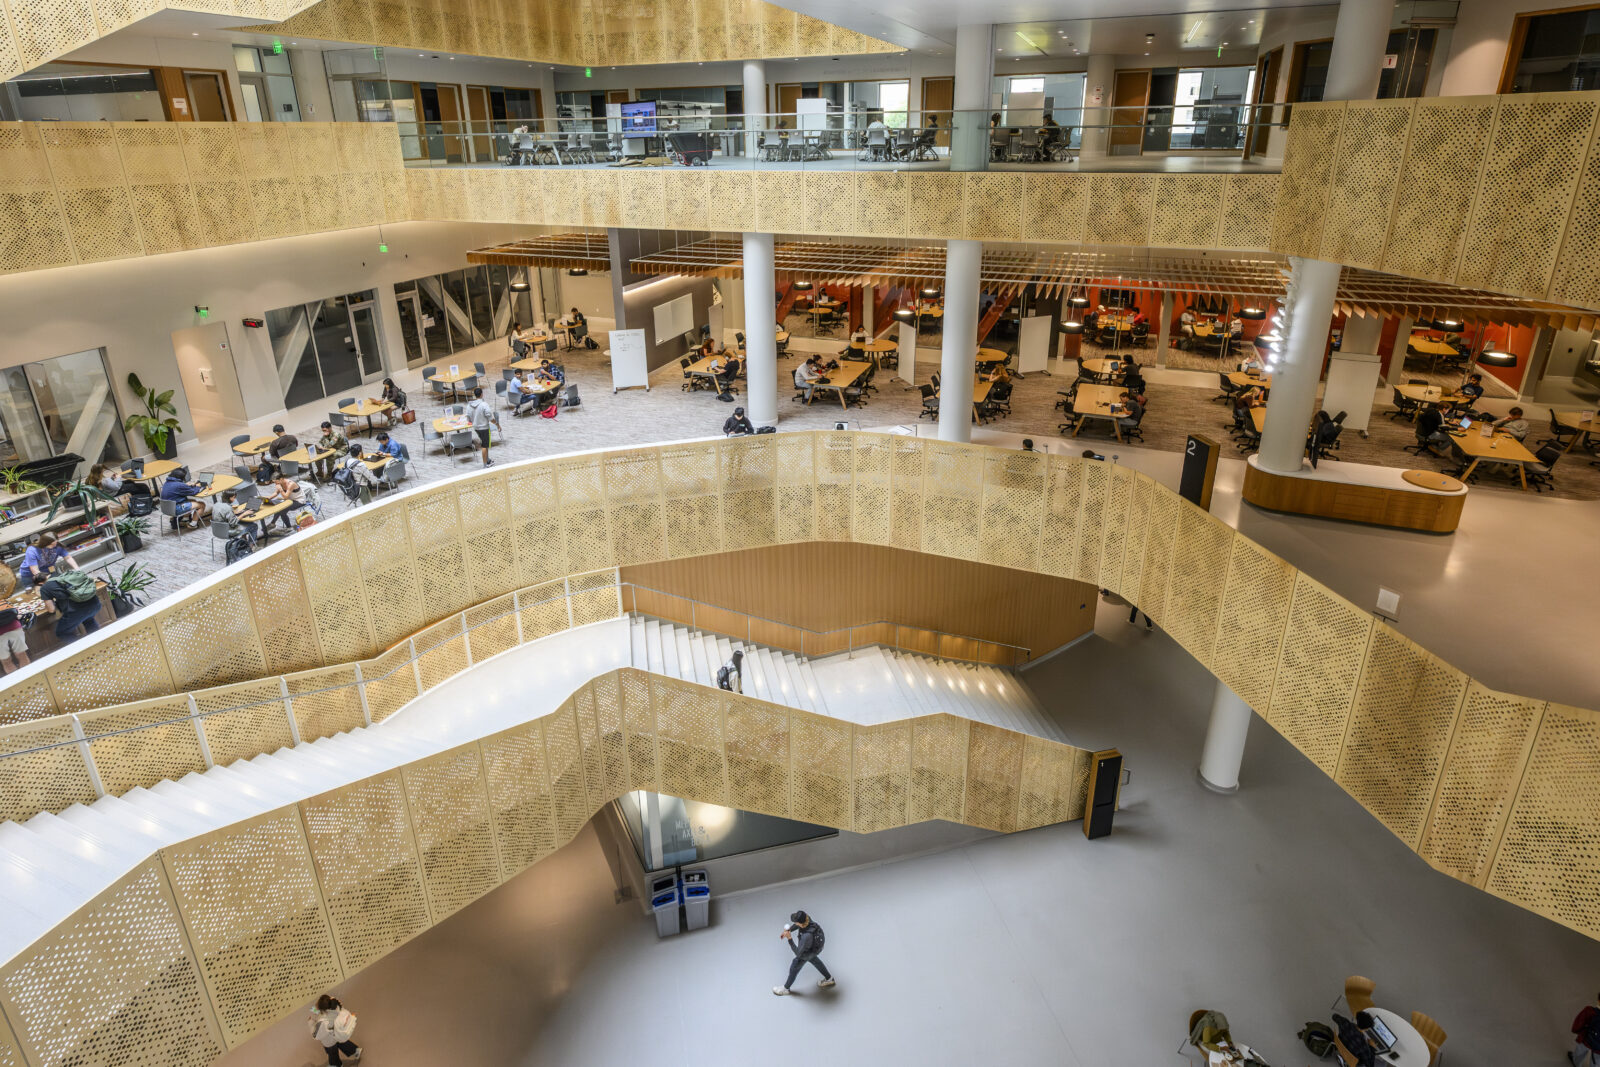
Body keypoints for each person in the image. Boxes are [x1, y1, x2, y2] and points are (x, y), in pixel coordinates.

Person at [773, 909, 834, 996]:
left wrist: (789, 939)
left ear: (801, 924)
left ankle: (786, 988)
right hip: (815, 948)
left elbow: (798, 953)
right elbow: (798, 925)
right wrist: (789, 930)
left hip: (807, 953)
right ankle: (829, 979)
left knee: (794, 967)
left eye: (796, 922)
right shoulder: (807, 918)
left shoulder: (806, 937)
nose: (795, 923)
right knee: (816, 961)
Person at [307, 994, 362, 1065]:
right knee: (342, 1043)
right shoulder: (335, 1005)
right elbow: (325, 1012)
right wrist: (316, 1008)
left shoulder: (323, 1022)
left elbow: (316, 1035)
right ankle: (355, 1051)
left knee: (332, 1053)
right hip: (337, 1032)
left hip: (329, 1041)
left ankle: (336, 1065)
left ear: (322, 1009)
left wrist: (310, 1023)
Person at [465, 386, 500, 467]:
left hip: (476, 428)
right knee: (485, 446)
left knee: (484, 443)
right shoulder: (484, 405)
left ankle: (487, 459)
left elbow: (468, 418)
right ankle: (485, 464)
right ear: (481, 394)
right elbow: (490, 417)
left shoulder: (469, 405)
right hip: (484, 428)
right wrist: (497, 424)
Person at [1571, 992, 1600, 1066]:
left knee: (1579, 1053)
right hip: (1599, 1049)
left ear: (1598, 1000)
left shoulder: (1589, 1011)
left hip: (1586, 1039)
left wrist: (1577, 1031)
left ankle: (1576, 1063)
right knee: (1596, 1062)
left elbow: (1578, 1025)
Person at [0, 604, 28, 674]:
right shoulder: (4, 595)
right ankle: (29, 679)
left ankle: (20, 683)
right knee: (22, 655)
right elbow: (16, 613)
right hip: (14, 627)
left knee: (6, 661)